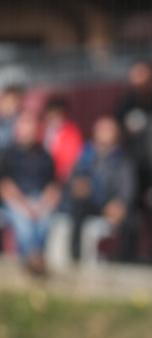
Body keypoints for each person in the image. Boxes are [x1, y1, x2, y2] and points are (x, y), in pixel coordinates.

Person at [116, 61, 152, 263]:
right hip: (132, 168)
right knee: (131, 212)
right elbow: (116, 128)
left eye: (142, 77)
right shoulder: (126, 103)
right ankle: (128, 256)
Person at [68, 116, 136, 262]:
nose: (105, 133)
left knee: (132, 222)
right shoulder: (86, 155)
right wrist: (78, 186)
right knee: (77, 210)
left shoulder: (122, 160)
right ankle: (76, 258)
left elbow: (127, 188)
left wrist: (119, 203)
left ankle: (124, 262)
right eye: (102, 130)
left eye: (109, 130)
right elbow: (75, 179)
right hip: (91, 203)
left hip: (113, 205)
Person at [0, 114, 60, 274]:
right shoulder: (8, 154)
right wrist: (25, 206)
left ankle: (35, 258)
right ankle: (31, 259)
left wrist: (41, 205)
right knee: (24, 224)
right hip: (15, 202)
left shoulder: (45, 156)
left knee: (46, 222)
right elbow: (5, 187)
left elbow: (52, 186)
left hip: (39, 201)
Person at [42, 96, 84, 183]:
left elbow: (71, 159)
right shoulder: (41, 130)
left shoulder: (71, 132)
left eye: (57, 114)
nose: (54, 117)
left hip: (62, 177)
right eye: (51, 113)